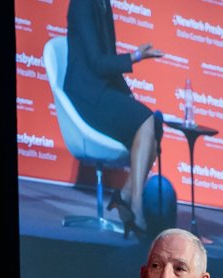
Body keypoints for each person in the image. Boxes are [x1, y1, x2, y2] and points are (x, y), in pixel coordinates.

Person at [65, 0, 164, 239]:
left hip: (103, 89)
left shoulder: (102, 3)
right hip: (86, 93)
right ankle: (135, 204)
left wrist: (126, 93)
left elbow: (107, 55)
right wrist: (135, 56)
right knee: (146, 120)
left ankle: (127, 194)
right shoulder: (82, 4)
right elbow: (98, 63)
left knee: (155, 124)